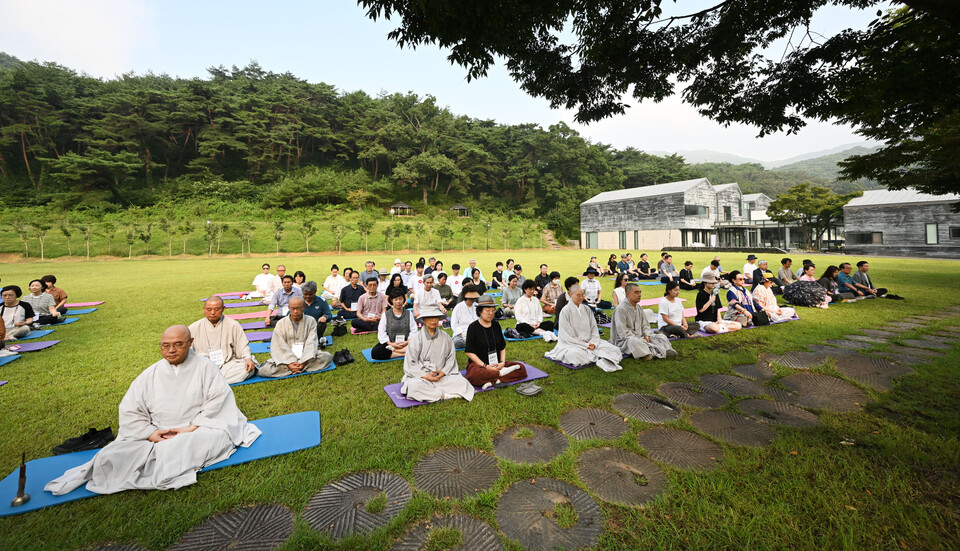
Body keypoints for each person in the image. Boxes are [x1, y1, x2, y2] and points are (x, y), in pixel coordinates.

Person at [45, 325, 261, 496]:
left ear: (190, 343)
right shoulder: (150, 374)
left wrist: (188, 429)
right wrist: (150, 433)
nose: (171, 350)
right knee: (107, 456)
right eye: (165, 345)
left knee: (202, 440)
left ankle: (163, 457)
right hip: (156, 432)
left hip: (196, 429)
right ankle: (155, 454)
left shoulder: (206, 368)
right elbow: (130, 410)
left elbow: (218, 403)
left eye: (178, 344)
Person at [400, 305, 475, 403]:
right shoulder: (416, 338)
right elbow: (411, 362)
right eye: (430, 318)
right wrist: (425, 375)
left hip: (443, 376)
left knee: (462, 382)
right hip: (422, 377)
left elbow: (450, 358)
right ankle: (445, 395)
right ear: (424, 320)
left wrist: (443, 372)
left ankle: (434, 394)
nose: (434, 320)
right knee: (414, 386)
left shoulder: (446, 337)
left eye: (436, 317)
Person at [545, 286, 623, 372]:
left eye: (583, 295)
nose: (581, 297)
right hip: (572, 344)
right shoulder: (565, 311)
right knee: (574, 355)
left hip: (590, 341)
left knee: (615, 349)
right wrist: (585, 345)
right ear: (570, 294)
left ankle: (599, 358)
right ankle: (600, 358)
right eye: (578, 295)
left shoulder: (587, 309)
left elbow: (594, 329)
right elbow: (566, 336)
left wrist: (594, 343)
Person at [464, 296, 528, 388]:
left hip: (496, 363)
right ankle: (500, 376)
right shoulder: (473, 327)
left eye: (493, 310)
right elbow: (469, 352)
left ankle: (495, 379)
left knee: (521, 368)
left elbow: (502, 347)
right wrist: (485, 366)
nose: (491, 313)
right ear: (480, 311)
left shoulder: (496, 325)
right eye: (487, 310)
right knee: (475, 376)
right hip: (480, 365)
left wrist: (502, 362)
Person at [259, 298, 334, 377]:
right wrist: (289, 363)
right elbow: (278, 345)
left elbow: (311, 342)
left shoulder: (311, 321)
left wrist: (303, 362)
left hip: (306, 356)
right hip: (286, 358)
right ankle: (296, 368)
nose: (295, 311)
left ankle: (296, 368)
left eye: (299, 308)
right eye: (293, 308)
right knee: (264, 370)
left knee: (327, 357)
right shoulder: (281, 323)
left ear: (304, 307)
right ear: (289, 308)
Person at [188, 297, 256, 384]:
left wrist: (248, 359)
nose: (212, 313)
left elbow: (242, 346)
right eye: (209, 309)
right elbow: (187, 351)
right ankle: (214, 380)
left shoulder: (233, 325)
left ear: (223, 309)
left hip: (228, 364)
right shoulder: (194, 327)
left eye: (217, 309)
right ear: (204, 309)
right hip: (204, 365)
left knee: (247, 368)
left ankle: (208, 381)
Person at [610, 283, 675, 360]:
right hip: (625, 340)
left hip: (641, 337)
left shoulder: (638, 307)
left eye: (640, 292)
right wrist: (637, 338)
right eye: (636, 292)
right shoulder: (620, 309)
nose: (639, 295)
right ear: (628, 294)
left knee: (661, 336)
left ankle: (665, 349)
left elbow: (645, 325)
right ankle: (647, 353)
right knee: (634, 342)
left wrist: (646, 335)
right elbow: (622, 332)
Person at [371, 288, 418, 360]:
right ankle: (404, 354)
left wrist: (407, 342)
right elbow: (381, 331)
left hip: (406, 343)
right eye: (395, 300)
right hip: (391, 343)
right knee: (375, 352)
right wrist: (390, 343)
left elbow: (414, 329)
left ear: (404, 300)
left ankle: (397, 351)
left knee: (421, 346)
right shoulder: (386, 315)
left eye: (400, 299)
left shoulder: (409, 313)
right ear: (391, 300)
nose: (398, 302)